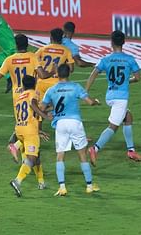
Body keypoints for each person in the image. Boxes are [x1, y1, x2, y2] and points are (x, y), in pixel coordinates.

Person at [0, 34, 54, 163]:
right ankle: (27, 154)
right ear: (27, 44)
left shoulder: (9, 60)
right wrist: (52, 71)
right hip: (31, 95)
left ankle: (18, 149)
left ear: (16, 45)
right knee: (33, 126)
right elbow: (42, 75)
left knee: (22, 123)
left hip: (17, 97)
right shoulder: (32, 57)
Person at [42, 64, 101, 196]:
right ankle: (89, 186)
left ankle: (62, 187)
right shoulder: (76, 87)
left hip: (60, 123)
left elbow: (42, 107)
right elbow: (89, 102)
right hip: (74, 122)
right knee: (82, 154)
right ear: (69, 73)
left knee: (60, 155)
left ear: (57, 73)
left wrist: (49, 112)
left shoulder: (51, 90)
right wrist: (96, 101)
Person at [86, 31, 141, 164]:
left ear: (111, 43)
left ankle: (131, 150)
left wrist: (86, 91)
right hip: (120, 98)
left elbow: (93, 74)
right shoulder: (130, 59)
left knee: (128, 117)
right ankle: (95, 148)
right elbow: (138, 78)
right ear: (124, 42)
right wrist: (128, 81)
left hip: (110, 95)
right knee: (113, 126)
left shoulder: (105, 59)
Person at [9, 75, 52, 197]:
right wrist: (45, 116)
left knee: (36, 156)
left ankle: (41, 182)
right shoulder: (33, 93)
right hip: (29, 131)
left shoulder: (19, 97)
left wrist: (38, 130)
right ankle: (17, 181)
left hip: (20, 129)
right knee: (32, 159)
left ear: (23, 85)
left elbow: (29, 111)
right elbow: (33, 105)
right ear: (34, 84)